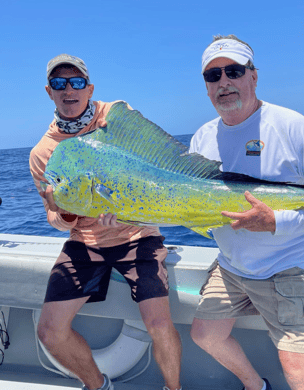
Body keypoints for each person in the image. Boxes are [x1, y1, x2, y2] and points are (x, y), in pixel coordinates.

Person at [189, 35, 304, 390]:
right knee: (205, 334)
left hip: (286, 268)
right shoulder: (201, 138)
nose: (224, 83)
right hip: (232, 268)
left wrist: (276, 222)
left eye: (233, 71)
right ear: (206, 87)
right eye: (213, 76)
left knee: (299, 372)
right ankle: (255, 385)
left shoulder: (291, 125)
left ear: (253, 76)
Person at [29, 54, 182, 390]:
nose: (68, 89)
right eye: (59, 83)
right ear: (49, 91)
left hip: (137, 234)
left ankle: (175, 389)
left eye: (77, 82)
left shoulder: (112, 117)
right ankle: (99, 386)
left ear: (90, 87)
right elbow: (55, 219)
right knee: (49, 332)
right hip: (85, 241)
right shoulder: (42, 152)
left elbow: (152, 164)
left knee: (158, 323)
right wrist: (70, 213)